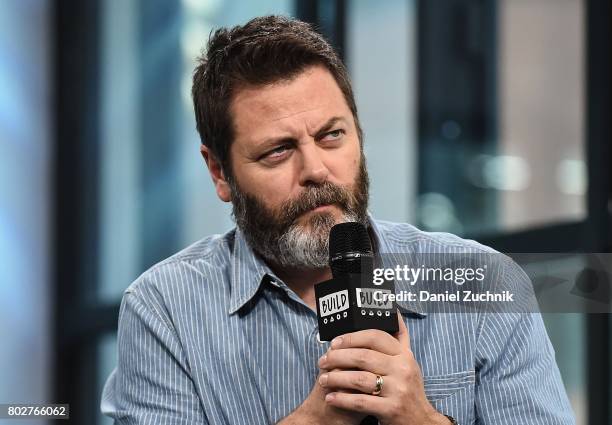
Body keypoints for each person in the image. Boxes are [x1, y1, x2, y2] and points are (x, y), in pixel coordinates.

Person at [101, 15, 575, 425]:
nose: (315, 171)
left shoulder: (485, 284)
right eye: (278, 151)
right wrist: (317, 418)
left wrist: (418, 417)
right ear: (220, 172)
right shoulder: (164, 310)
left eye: (332, 136)